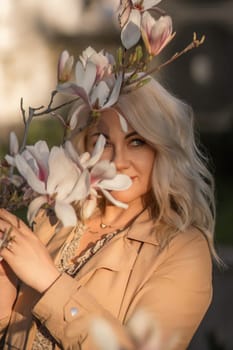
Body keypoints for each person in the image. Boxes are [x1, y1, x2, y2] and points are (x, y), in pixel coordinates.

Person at [0, 76, 219, 349]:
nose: (117, 161)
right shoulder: (55, 217)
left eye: (136, 141)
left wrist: (49, 282)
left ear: (161, 148)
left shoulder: (182, 249)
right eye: (102, 140)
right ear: (85, 147)